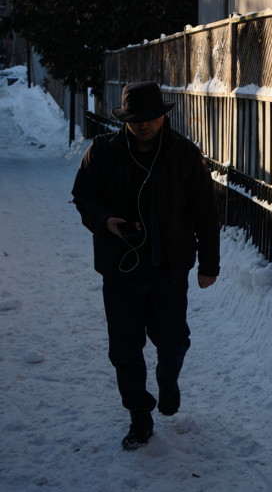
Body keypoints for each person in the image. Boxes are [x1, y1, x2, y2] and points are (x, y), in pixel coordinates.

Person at [72, 81, 220, 450]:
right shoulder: (102, 152)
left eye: (151, 118)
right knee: (124, 350)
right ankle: (140, 416)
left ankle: (168, 381)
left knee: (173, 343)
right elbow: (83, 195)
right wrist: (105, 220)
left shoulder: (184, 153)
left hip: (168, 269)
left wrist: (209, 264)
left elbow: (206, 212)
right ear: (126, 119)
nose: (144, 125)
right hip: (120, 269)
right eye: (136, 119)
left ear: (162, 116)